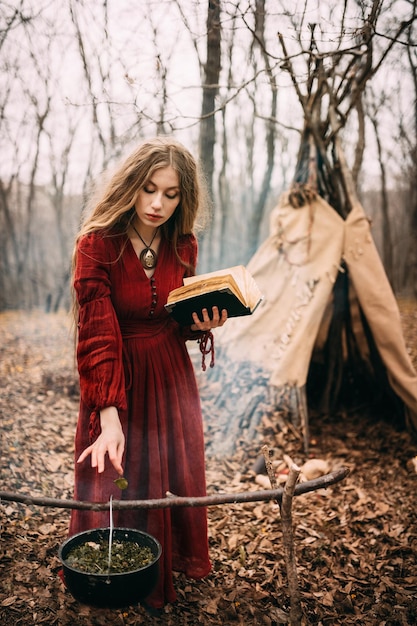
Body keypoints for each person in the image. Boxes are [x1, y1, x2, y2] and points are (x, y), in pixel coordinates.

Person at [68, 137, 227, 608]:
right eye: (149, 189)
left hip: (171, 376)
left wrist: (201, 325)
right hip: (115, 374)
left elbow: (172, 320)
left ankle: (169, 560)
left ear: (185, 197)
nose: (158, 203)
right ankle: (114, 569)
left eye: (172, 194)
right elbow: (96, 333)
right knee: (119, 475)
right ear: (131, 186)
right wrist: (110, 417)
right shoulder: (97, 245)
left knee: (172, 469)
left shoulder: (183, 243)